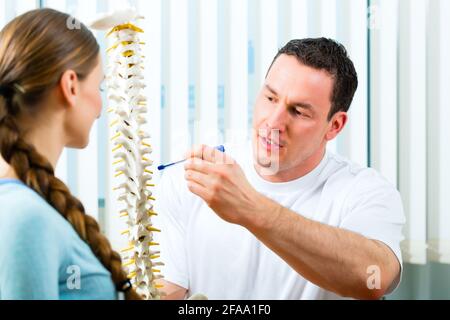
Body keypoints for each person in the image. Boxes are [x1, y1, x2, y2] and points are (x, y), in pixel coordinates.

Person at [155, 38, 406, 300]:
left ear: (335, 126)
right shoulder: (190, 179)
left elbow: (372, 279)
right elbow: (167, 290)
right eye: (270, 97)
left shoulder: (365, 191)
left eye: (298, 111)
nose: (273, 122)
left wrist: (250, 207)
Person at [0, 8, 141, 300]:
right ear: (71, 86)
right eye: (100, 86)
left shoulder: (31, 207)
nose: (102, 108)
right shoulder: (25, 217)